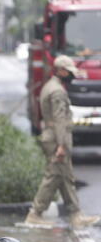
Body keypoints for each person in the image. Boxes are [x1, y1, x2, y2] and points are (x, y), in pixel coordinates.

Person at [24, 55, 99, 228]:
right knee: (53, 177)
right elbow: (60, 120)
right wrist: (62, 145)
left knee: (66, 178)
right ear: (61, 71)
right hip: (56, 138)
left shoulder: (50, 86)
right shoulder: (57, 91)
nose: (72, 75)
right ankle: (35, 213)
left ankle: (75, 215)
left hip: (52, 136)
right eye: (69, 72)